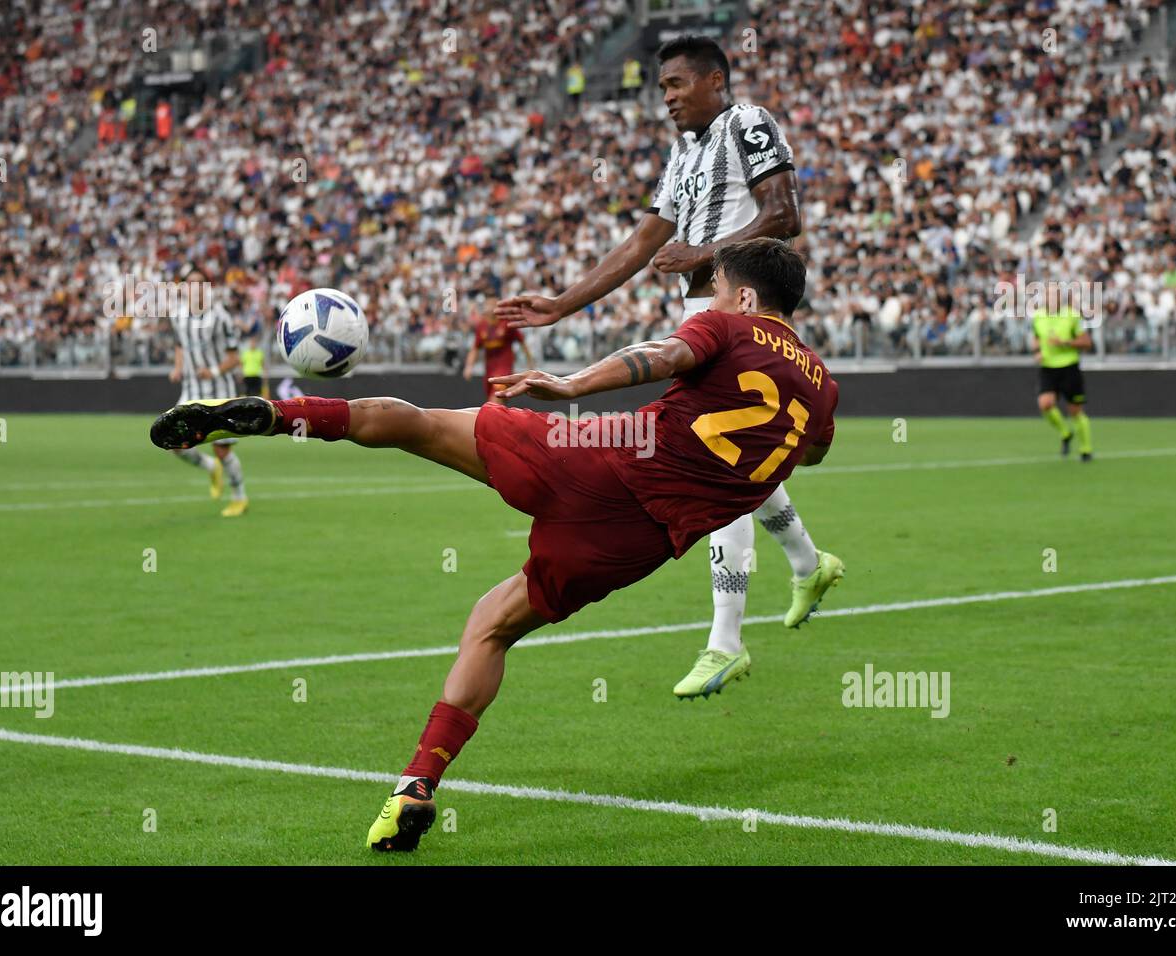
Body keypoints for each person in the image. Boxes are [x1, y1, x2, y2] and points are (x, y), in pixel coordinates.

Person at [149, 238, 839, 853]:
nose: (709, 296)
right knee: (492, 626)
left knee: (416, 425)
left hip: (596, 457)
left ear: (745, 295)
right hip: (637, 544)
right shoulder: (822, 388)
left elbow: (661, 356)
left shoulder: (726, 323)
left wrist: (572, 384)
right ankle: (413, 786)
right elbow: (810, 456)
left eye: (714, 285)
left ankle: (276, 414)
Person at [496, 35, 842, 700]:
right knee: (732, 457)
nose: (668, 98)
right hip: (704, 312)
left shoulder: (748, 122)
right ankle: (808, 563)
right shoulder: (681, 152)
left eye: (678, 84)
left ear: (717, 80)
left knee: (713, 466)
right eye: (661, 88)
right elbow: (644, 240)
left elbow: (783, 215)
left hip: (745, 311)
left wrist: (706, 252)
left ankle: (725, 642)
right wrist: (561, 304)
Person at [165, 264, 250, 516]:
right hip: (191, 389)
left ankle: (239, 497)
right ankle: (211, 467)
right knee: (174, 443)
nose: (194, 288)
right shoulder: (177, 316)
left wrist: (212, 371)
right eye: (189, 283)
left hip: (218, 390)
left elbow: (235, 358)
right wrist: (177, 368)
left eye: (199, 283)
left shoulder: (220, 317)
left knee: (221, 448)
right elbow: (180, 345)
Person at [1031, 285, 1094, 461]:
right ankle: (1065, 433)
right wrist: (1037, 351)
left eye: (1054, 295)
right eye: (1048, 295)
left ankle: (1086, 449)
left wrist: (1065, 342)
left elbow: (1087, 343)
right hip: (1048, 367)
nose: (1051, 298)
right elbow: (1036, 338)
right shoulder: (1038, 316)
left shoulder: (1072, 315)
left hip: (1069, 367)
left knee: (1075, 411)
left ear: (1061, 298)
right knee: (1045, 404)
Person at [462, 311, 533, 405]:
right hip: (489, 371)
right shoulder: (482, 325)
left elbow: (521, 341)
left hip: (503, 370)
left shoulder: (507, 323)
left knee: (493, 402)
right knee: (499, 405)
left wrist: (530, 362)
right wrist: (469, 366)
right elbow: (475, 348)